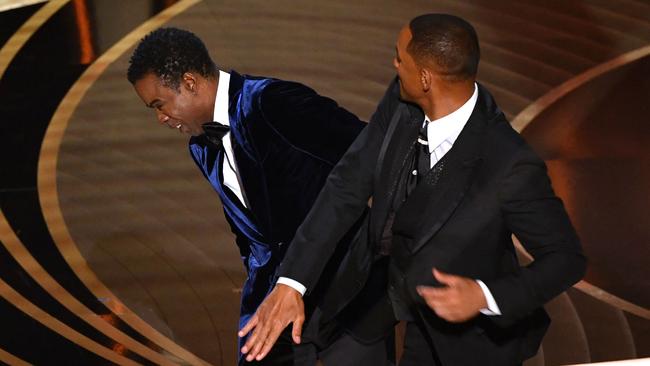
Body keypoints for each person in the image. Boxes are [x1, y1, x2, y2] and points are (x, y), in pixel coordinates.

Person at [239, 14, 587, 366]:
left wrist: (484, 296)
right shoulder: (403, 98)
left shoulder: (509, 163)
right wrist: (292, 283)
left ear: (425, 78)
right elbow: (347, 185)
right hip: (382, 288)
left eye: (399, 58)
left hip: (466, 336)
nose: (394, 64)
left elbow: (566, 258)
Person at [127, 27, 377, 365]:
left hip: (345, 291)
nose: (160, 118)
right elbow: (246, 231)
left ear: (189, 82)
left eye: (159, 104)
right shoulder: (201, 148)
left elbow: (368, 151)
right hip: (270, 301)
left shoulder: (272, 103)